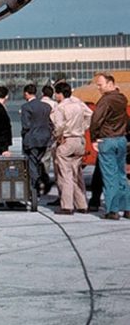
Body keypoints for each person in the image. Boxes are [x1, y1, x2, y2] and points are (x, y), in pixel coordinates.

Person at [88, 72, 130, 220]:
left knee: (109, 176)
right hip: (121, 139)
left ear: (110, 84)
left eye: (100, 85)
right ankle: (127, 208)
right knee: (121, 175)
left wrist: (94, 138)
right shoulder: (122, 98)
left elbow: (96, 120)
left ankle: (112, 210)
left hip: (107, 140)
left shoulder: (105, 100)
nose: (98, 88)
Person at [49, 82, 92, 214]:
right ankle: (82, 204)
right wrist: (83, 127)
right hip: (79, 140)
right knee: (76, 173)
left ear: (59, 94)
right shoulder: (78, 104)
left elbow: (59, 126)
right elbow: (89, 114)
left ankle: (67, 205)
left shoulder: (60, 108)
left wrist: (58, 136)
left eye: (56, 93)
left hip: (67, 140)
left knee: (65, 174)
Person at [20, 83, 53, 195]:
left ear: (26, 94)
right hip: (45, 139)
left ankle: (35, 186)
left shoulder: (26, 107)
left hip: (32, 139)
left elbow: (26, 125)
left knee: (32, 164)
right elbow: (50, 123)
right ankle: (42, 182)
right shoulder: (46, 106)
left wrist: (24, 136)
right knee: (39, 162)